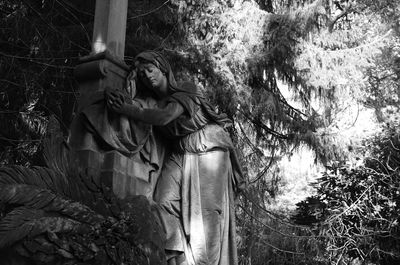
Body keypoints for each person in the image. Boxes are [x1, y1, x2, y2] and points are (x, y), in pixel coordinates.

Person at [106, 51, 245, 265]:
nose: (147, 77)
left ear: (163, 69)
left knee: (206, 218)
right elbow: (146, 119)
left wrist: (126, 108)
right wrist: (127, 96)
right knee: (162, 202)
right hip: (182, 153)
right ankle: (180, 260)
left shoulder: (185, 89)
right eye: (142, 75)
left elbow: (164, 118)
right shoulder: (152, 103)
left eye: (150, 70)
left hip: (209, 148)